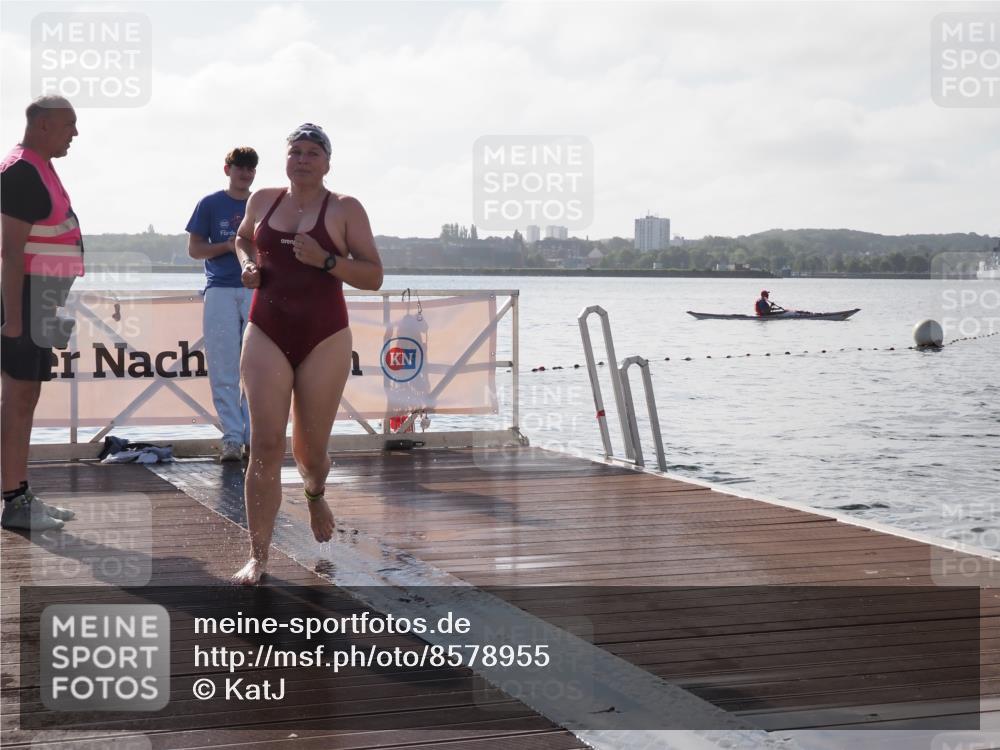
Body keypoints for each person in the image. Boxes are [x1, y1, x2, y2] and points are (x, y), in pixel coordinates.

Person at [231, 124, 383, 584]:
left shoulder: (345, 209)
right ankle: (259, 556)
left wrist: (327, 261)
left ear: (327, 162)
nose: (302, 159)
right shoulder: (262, 201)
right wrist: (247, 264)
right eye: (295, 151)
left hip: (325, 336)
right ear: (286, 159)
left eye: (313, 152)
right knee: (266, 444)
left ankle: (315, 492)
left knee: (311, 452)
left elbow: (373, 275)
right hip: (266, 329)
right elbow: (242, 238)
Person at [1, 96, 83, 531]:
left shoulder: (39, 166)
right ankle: (14, 502)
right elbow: (10, 253)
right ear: (44, 125)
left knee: (27, 398)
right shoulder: (20, 171)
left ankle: (21, 493)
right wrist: (14, 321)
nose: (75, 133)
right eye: (69, 124)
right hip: (23, 301)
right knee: (17, 400)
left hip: (39, 301)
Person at [186, 147, 259, 462]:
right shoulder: (210, 203)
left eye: (251, 168)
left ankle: (255, 437)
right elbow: (195, 249)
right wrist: (227, 247)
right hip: (219, 290)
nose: (245, 173)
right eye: (240, 167)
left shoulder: (264, 203)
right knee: (223, 366)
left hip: (257, 289)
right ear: (227, 169)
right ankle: (231, 437)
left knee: (258, 368)